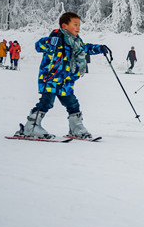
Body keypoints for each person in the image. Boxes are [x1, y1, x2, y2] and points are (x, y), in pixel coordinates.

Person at [13, 11, 111, 140]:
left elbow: (85, 48)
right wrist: (49, 42)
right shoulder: (56, 39)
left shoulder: (76, 42)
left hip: (66, 81)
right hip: (51, 79)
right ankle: (31, 127)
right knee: (46, 102)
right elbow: (38, 46)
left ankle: (76, 128)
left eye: (79, 25)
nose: (78, 28)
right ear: (64, 26)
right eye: (75, 24)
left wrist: (99, 48)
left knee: (72, 104)